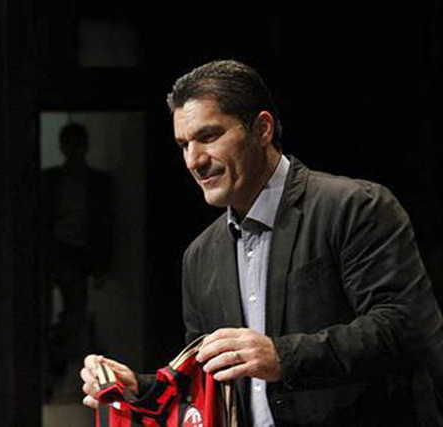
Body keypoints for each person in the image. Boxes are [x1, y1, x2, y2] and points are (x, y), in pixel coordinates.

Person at [80, 60, 443, 426]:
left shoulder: (354, 207)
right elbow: (207, 385)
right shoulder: (200, 256)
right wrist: (140, 390)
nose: (194, 160)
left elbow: (405, 327)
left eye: (209, 136)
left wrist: (282, 357)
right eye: (184, 144)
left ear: (262, 129)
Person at [42, 123, 113, 397]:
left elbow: (105, 225)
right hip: (53, 253)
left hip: (78, 256)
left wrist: (101, 265)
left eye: (77, 146)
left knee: (74, 315)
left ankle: (57, 356)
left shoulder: (97, 183)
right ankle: (52, 360)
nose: (73, 152)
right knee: (49, 313)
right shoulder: (50, 180)